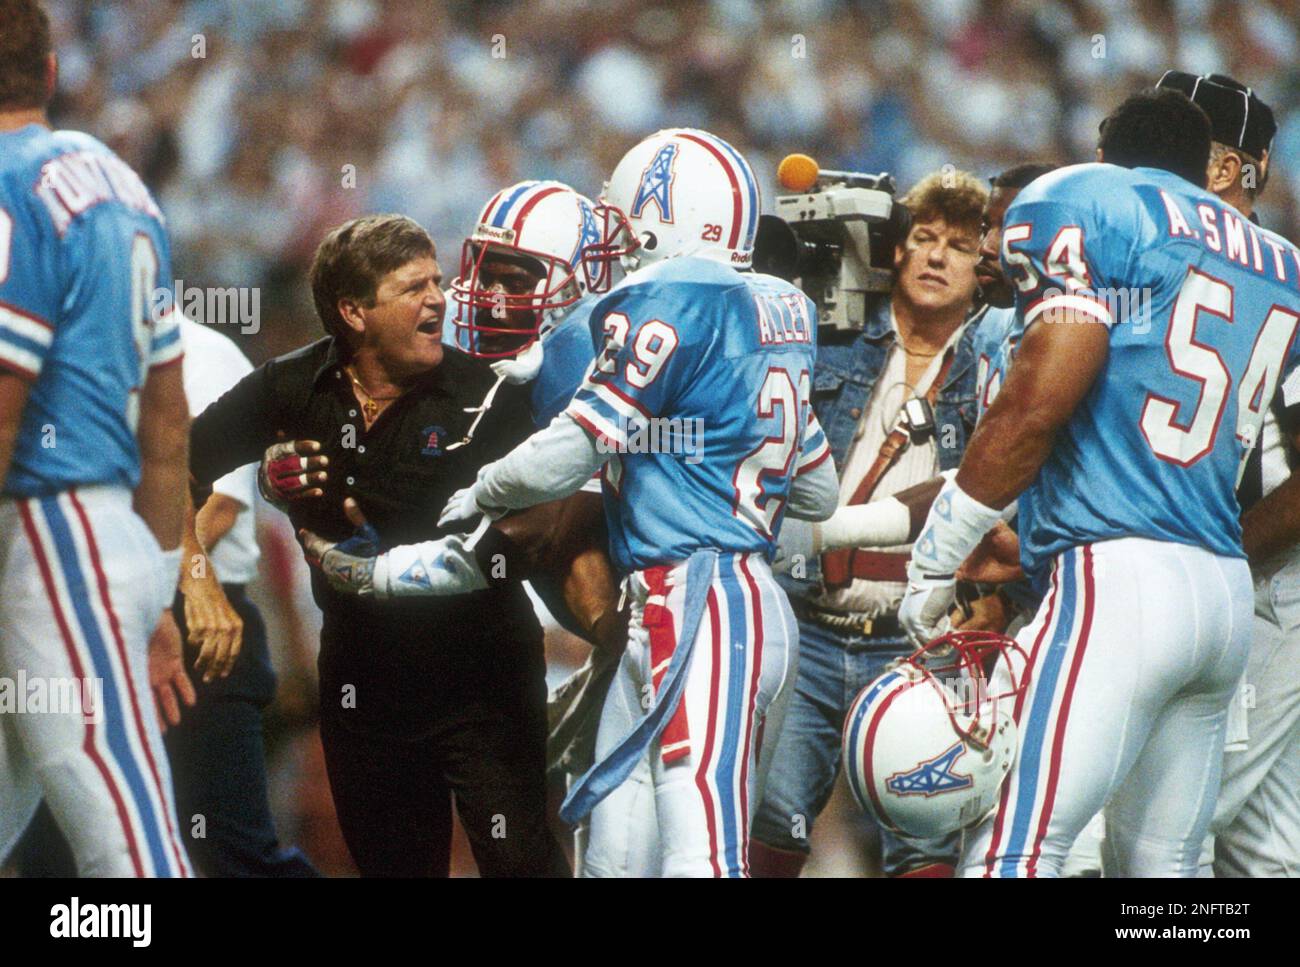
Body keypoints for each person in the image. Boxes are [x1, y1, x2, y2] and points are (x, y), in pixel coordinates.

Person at [900, 87, 1300, 877]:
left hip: (1119, 575)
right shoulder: (1280, 260)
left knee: (1015, 846)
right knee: (1164, 881)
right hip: (1222, 595)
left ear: (1107, 154)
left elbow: (1039, 399)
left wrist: (937, 552)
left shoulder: (1086, 200)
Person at [432, 127, 838, 877]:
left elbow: (576, 448)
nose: (618, 240)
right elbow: (818, 488)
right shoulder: (773, 310)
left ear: (664, 217)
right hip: (710, 602)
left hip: (703, 599)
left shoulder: (663, 304)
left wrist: (484, 487)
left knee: (700, 851)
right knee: (616, 853)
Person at [188, 213, 567, 877]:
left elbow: (540, 528)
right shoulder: (289, 387)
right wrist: (200, 573)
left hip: (483, 681)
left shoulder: (486, 395)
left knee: (520, 861)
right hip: (364, 684)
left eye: (438, 281)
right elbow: (175, 471)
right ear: (353, 312)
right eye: (413, 287)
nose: (438, 299)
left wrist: (399, 572)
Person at [750, 167, 989, 878]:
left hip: (921, 637)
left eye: (959, 245)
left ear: (985, 267)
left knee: (924, 835)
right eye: (923, 238)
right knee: (774, 817)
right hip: (809, 624)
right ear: (895, 252)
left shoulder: (992, 363)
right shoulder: (833, 341)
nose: (938, 255)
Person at [0, 0, 192, 877]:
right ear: (48, 71)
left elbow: (4, 405)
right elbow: (166, 423)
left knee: (132, 856)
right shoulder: (120, 180)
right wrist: (155, 596)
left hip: (44, 531)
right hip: (103, 531)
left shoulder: (7, 182)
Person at [1154, 70, 1297, 878]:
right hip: (1245, 576)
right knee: (1266, 845)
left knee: (1179, 818)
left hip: (1272, 580)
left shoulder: (1274, 275)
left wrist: (1222, 557)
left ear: (1222, 168)